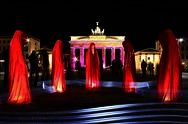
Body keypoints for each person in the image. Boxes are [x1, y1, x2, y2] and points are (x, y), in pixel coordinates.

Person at [157, 29, 182, 102]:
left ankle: (167, 95)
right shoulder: (171, 48)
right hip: (168, 58)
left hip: (168, 59)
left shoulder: (169, 50)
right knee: (167, 75)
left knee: (166, 75)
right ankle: (168, 94)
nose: (161, 44)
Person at [7, 30, 31, 104]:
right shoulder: (16, 43)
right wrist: (24, 65)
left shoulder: (13, 42)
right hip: (19, 65)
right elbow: (19, 56)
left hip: (16, 66)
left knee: (18, 79)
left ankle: (18, 93)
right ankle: (20, 94)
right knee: (20, 79)